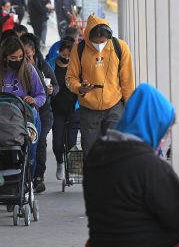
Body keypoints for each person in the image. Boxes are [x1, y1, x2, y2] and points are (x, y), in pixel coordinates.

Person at [83, 83, 179, 247]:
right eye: (166, 130)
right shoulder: (151, 167)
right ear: (153, 125)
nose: (166, 137)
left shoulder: (97, 156)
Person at [0, 36, 46, 175]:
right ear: (4, 57)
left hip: (24, 117)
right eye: (13, 58)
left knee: (30, 151)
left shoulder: (28, 68)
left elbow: (41, 95)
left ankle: (29, 179)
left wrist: (34, 101)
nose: (18, 60)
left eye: (21, 56)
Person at [66, 15, 135, 155]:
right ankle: (96, 177)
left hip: (114, 106)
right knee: (91, 152)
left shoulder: (120, 47)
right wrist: (80, 88)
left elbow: (127, 80)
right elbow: (70, 78)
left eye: (103, 42)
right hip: (88, 109)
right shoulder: (78, 50)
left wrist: (130, 107)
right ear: (87, 37)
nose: (99, 45)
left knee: (116, 150)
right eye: (95, 42)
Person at [21, 34, 59, 193]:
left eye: (27, 55)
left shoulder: (43, 66)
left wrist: (51, 90)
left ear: (34, 52)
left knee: (40, 140)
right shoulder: (14, 69)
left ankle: (38, 176)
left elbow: (55, 86)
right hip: (21, 112)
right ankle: (22, 176)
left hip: (42, 112)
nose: (23, 59)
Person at [47, 39, 80, 180]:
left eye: (69, 56)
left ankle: (71, 168)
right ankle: (60, 162)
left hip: (74, 109)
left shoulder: (78, 65)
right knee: (57, 143)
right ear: (59, 51)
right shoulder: (51, 64)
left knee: (72, 143)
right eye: (64, 55)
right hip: (56, 109)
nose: (66, 58)